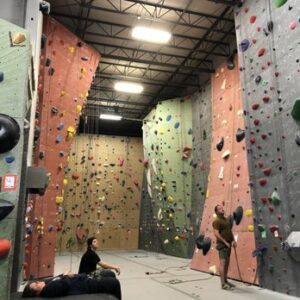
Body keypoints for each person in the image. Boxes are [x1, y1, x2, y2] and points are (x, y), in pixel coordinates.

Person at [22, 271, 121, 299]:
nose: (37, 282)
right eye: (35, 285)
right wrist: (66, 275)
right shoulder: (48, 290)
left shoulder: (46, 283)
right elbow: (65, 285)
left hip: (84, 277)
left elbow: (58, 277)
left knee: (110, 273)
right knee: (114, 282)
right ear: (37, 293)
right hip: (86, 285)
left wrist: (64, 274)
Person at [212, 204, 237, 290]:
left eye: (222, 208)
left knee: (227, 263)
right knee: (222, 263)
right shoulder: (217, 221)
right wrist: (225, 242)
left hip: (229, 244)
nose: (222, 209)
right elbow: (216, 233)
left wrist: (233, 240)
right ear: (216, 212)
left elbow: (230, 231)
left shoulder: (226, 220)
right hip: (222, 245)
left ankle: (226, 281)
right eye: (219, 209)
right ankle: (223, 284)